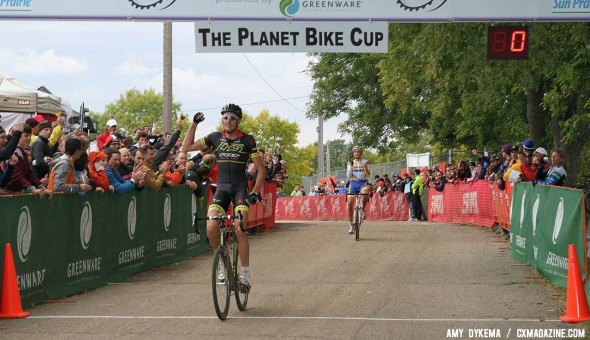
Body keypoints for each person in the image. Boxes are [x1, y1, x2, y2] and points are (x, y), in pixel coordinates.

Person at [182, 104, 265, 294]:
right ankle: (221, 264)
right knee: (211, 227)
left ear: (238, 120)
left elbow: (261, 169)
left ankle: (245, 277)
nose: (228, 121)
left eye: (232, 118)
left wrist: (255, 191)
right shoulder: (214, 138)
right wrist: (193, 124)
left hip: (239, 190)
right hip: (221, 189)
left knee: (240, 228)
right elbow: (186, 147)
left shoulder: (247, 140)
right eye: (225, 117)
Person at [346, 146, 371, 234]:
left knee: (365, 192)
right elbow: (348, 177)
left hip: (362, 182)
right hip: (353, 183)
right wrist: (350, 166)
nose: (357, 153)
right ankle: (351, 225)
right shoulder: (350, 162)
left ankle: (363, 210)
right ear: (353, 153)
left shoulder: (365, 162)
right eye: (355, 152)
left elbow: (368, 175)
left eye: (358, 152)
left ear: (361, 153)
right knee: (349, 202)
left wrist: (366, 167)